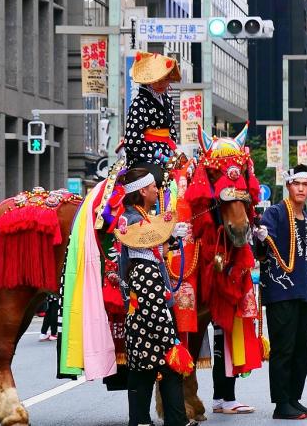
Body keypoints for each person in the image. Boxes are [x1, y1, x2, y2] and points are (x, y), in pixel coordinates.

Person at [117, 168, 192, 426]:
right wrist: (170, 339)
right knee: (165, 370)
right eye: (152, 187)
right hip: (148, 321)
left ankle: (144, 421)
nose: (156, 191)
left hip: (140, 321)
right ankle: (174, 421)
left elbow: (154, 239)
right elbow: (154, 306)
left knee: (143, 374)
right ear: (141, 191)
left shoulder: (139, 219)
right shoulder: (133, 224)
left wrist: (170, 237)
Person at [255, 164, 307, 420]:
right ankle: (281, 403)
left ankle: (294, 398)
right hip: (281, 292)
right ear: (288, 185)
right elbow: (263, 250)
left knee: (302, 350)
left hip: (304, 294)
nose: (300, 188)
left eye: (305, 184)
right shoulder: (274, 214)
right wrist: (261, 238)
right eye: (296, 183)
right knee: (283, 349)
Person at [124, 51, 182, 186]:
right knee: (158, 179)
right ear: (148, 79)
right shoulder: (140, 102)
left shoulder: (168, 100)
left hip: (167, 153)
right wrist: (159, 156)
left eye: (166, 79)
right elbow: (132, 142)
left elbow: (171, 131)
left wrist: (174, 154)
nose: (163, 83)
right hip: (144, 158)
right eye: (158, 79)